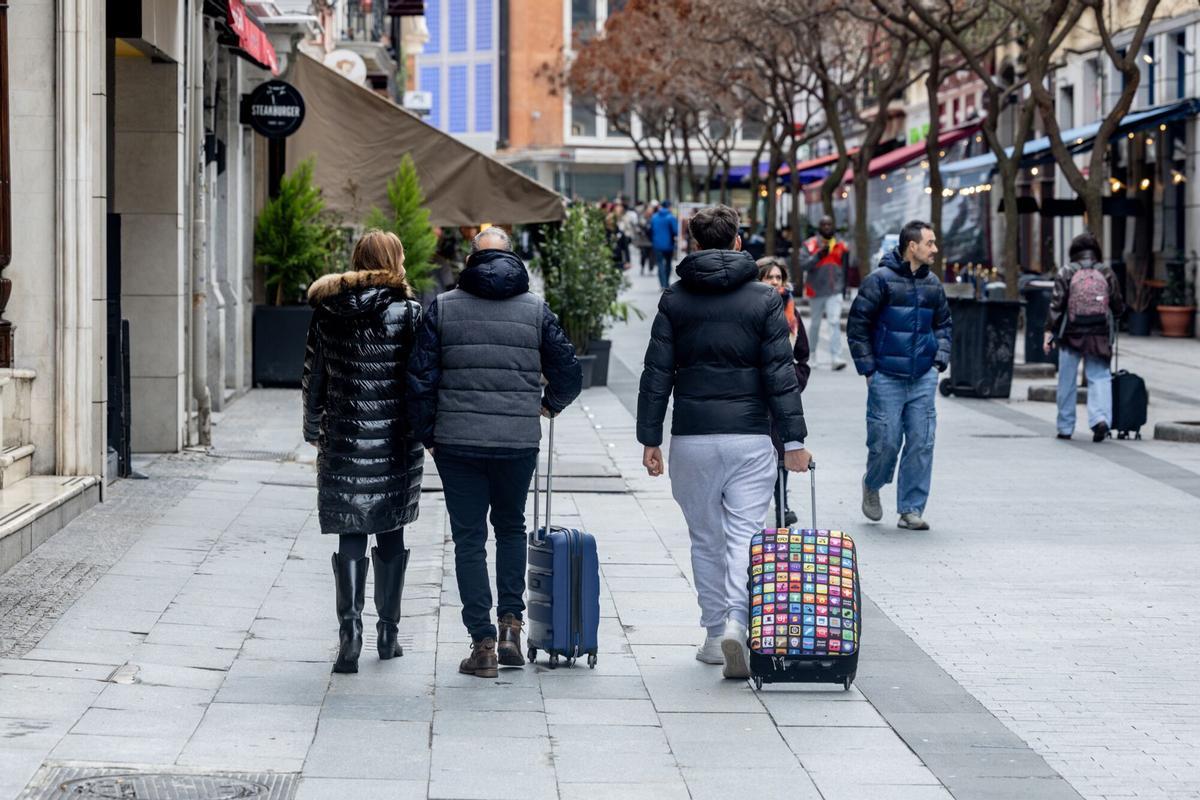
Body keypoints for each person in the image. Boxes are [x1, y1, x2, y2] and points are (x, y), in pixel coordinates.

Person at [638, 205, 811, 680]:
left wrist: (649, 438)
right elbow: (780, 373)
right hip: (750, 438)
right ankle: (739, 620)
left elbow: (657, 374)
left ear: (693, 244)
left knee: (705, 538)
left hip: (692, 437)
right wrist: (793, 439)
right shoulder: (764, 299)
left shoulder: (674, 299)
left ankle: (714, 634)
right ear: (738, 241)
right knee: (744, 535)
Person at [407, 228, 582, 679]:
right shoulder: (536, 309)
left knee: (468, 539)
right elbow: (568, 370)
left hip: (457, 440)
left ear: (471, 258)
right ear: (511, 258)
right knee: (510, 528)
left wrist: (428, 434)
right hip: (517, 439)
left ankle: (482, 644)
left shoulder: (443, 306)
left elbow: (420, 378)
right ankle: (511, 628)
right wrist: (547, 405)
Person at [303, 230, 424, 675]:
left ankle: (349, 635)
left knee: (350, 531)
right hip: (394, 442)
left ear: (356, 259)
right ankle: (388, 634)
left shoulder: (327, 311)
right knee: (391, 531)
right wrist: (424, 430)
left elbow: (314, 376)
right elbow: (420, 379)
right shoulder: (409, 312)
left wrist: (313, 428)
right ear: (395, 260)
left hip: (344, 440)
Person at [847, 219, 951, 532]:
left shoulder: (933, 284)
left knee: (922, 442)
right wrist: (868, 369)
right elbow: (858, 325)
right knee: (886, 442)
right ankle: (873, 483)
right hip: (886, 378)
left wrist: (938, 361)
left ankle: (911, 509)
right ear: (912, 246)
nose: (934, 249)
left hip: (922, 377)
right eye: (929, 243)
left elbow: (944, 325)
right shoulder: (879, 281)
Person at [1044, 232, 1124, 442]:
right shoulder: (1106, 272)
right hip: (1098, 332)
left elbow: (1056, 305)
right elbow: (1117, 303)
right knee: (1099, 377)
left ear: (1074, 252)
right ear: (1095, 251)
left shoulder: (1067, 271)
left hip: (1071, 332)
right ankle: (1100, 419)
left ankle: (1065, 426)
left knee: (1067, 380)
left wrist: (1049, 332)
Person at [758, 256, 811, 527]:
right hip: (755, 393)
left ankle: (782, 505)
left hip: (782, 394)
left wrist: (796, 380)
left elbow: (803, 354)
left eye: (779, 277)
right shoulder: (751, 308)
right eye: (770, 277)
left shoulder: (791, 311)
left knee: (782, 451)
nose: (776, 282)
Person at [801, 215, 851, 370]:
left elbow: (845, 268)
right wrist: (817, 256)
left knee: (834, 322)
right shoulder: (809, 244)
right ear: (819, 227)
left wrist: (844, 288)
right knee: (815, 324)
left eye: (829, 224)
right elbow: (803, 265)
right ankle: (812, 354)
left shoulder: (841, 245)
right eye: (824, 224)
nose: (827, 227)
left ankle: (836, 357)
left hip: (834, 290)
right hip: (816, 290)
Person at [650, 200, 680, 289]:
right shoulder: (671, 217)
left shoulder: (654, 217)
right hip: (669, 245)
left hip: (657, 244)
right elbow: (675, 231)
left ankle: (662, 284)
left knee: (660, 264)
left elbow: (650, 230)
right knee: (668, 263)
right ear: (669, 207)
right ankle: (666, 283)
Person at [635, 203, 655, 275]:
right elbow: (637, 228)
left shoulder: (653, 218)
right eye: (649, 210)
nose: (650, 212)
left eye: (651, 210)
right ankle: (642, 267)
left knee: (651, 256)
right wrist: (640, 231)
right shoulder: (641, 218)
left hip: (651, 241)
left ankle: (651, 269)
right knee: (643, 255)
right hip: (643, 241)